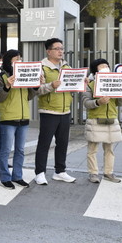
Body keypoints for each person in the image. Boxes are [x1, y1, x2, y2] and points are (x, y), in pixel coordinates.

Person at [0, 50, 42, 189]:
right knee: (5, 149)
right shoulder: (2, 76)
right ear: (8, 61)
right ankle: (4, 177)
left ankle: (17, 176)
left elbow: (28, 96)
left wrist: (35, 85)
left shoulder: (23, 74)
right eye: (15, 59)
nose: (18, 62)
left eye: (20, 59)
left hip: (23, 117)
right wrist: (8, 86)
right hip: (8, 117)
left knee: (20, 149)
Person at [34, 38, 78, 185]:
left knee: (63, 143)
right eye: (57, 48)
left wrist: (80, 83)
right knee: (44, 143)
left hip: (65, 110)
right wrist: (51, 85)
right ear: (49, 51)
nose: (61, 51)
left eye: (62, 48)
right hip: (49, 110)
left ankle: (60, 171)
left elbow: (73, 84)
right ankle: (40, 172)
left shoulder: (66, 66)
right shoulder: (41, 67)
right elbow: (37, 90)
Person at [82, 59, 122, 184]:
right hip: (95, 119)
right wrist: (98, 102)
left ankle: (109, 172)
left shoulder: (115, 82)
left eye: (107, 65)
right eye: (102, 66)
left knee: (110, 149)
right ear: (95, 70)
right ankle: (93, 173)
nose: (106, 67)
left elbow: (119, 102)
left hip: (111, 118)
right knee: (92, 149)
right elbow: (85, 103)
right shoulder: (90, 85)